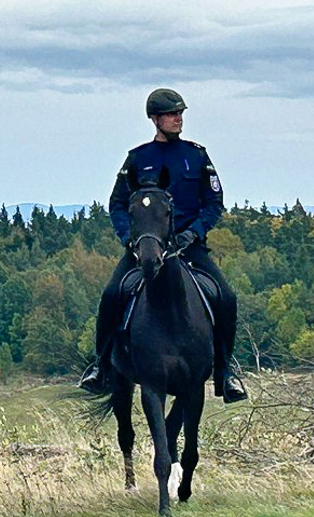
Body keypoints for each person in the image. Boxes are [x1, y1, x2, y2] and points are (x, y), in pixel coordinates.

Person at [79, 89, 248, 403]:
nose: (178, 119)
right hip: (145, 247)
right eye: (172, 114)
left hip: (188, 247)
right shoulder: (137, 158)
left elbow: (214, 203)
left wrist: (193, 234)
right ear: (155, 120)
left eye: (180, 113)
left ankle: (225, 372)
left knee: (227, 296)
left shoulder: (197, 155)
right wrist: (130, 239)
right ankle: (100, 366)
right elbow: (117, 204)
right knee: (111, 294)